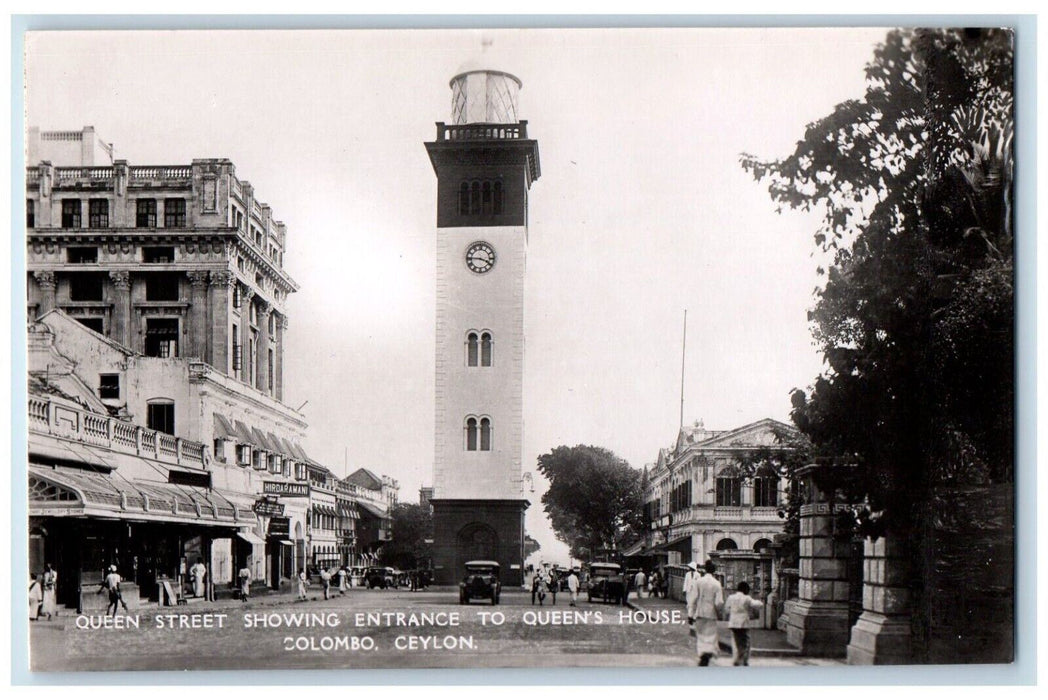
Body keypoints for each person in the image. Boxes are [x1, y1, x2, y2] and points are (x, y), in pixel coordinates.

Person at [686, 560, 725, 667]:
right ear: (714, 571)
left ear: (705, 569)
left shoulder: (699, 582)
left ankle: (703, 654)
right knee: (710, 635)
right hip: (711, 614)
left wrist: (690, 613)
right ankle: (707, 653)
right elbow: (719, 602)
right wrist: (719, 612)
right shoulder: (717, 584)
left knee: (701, 635)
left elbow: (693, 599)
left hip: (700, 612)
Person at [724, 580, 763, 666]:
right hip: (743, 623)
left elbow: (727, 610)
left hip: (733, 622)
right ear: (745, 589)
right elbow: (757, 605)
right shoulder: (747, 598)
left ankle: (737, 659)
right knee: (746, 642)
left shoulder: (731, 597)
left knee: (736, 641)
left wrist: (733, 613)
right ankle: (744, 659)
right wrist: (761, 601)